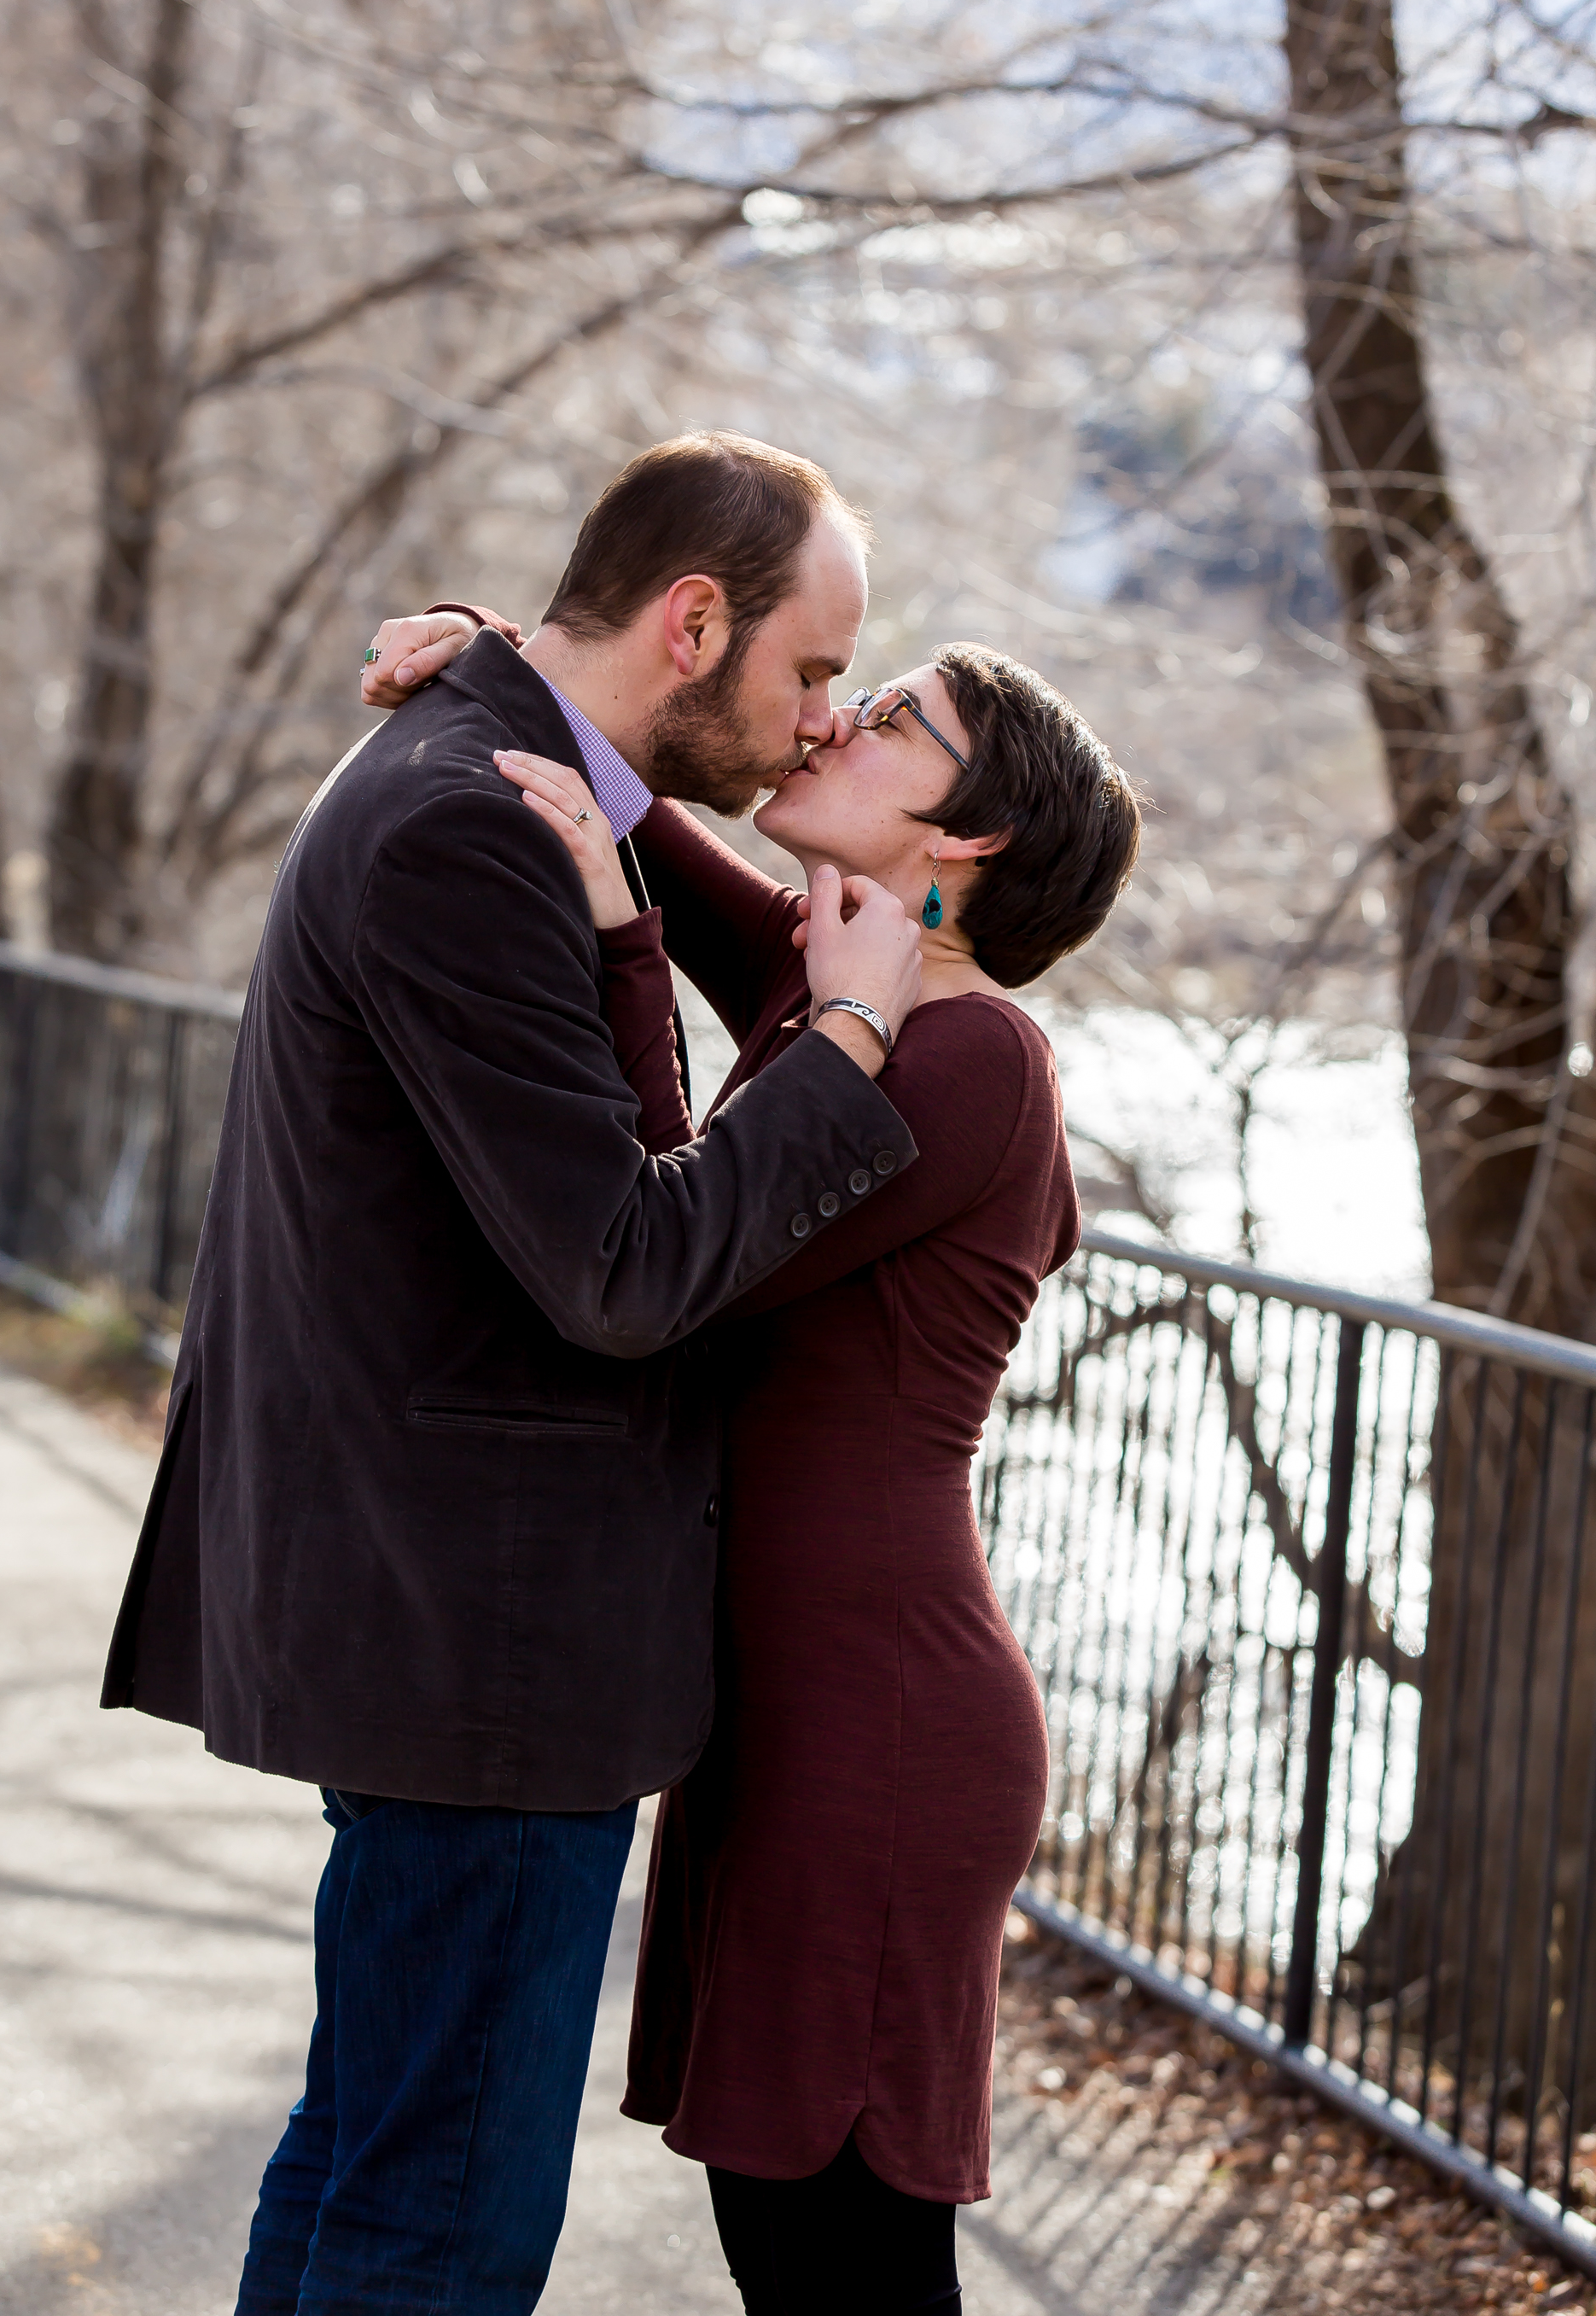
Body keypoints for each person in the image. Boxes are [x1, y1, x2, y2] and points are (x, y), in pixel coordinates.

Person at [99, 432, 925, 2316]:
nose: (816, 723)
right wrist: (854, 1038)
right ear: (691, 620)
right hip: (483, 1639)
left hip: (439, 1615)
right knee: (443, 2219)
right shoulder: (472, 817)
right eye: (810, 671)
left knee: (371, 2154)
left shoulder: (489, 771)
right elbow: (624, 1267)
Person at [374, 612, 1139, 2314]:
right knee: (776, 2232)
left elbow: (664, 1252)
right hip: (783, 1715)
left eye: (887, 721)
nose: (830, 724)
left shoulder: (962, 1056)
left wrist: (622, 949)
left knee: (842, 2265)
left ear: (968, 839)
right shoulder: (844, 991)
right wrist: (511, 658)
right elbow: (645, 817)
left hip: (878, 1728)